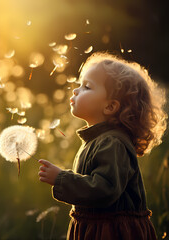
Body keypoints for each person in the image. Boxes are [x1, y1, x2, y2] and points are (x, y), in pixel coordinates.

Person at [38, 52, 168, 240]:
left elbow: (104, 189)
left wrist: (62, 179)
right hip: (96, 227)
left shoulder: (112, 142)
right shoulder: (98, 139)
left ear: (110, 107)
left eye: (87, 87)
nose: (76, 90)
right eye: (79, 84)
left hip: (112, 232)